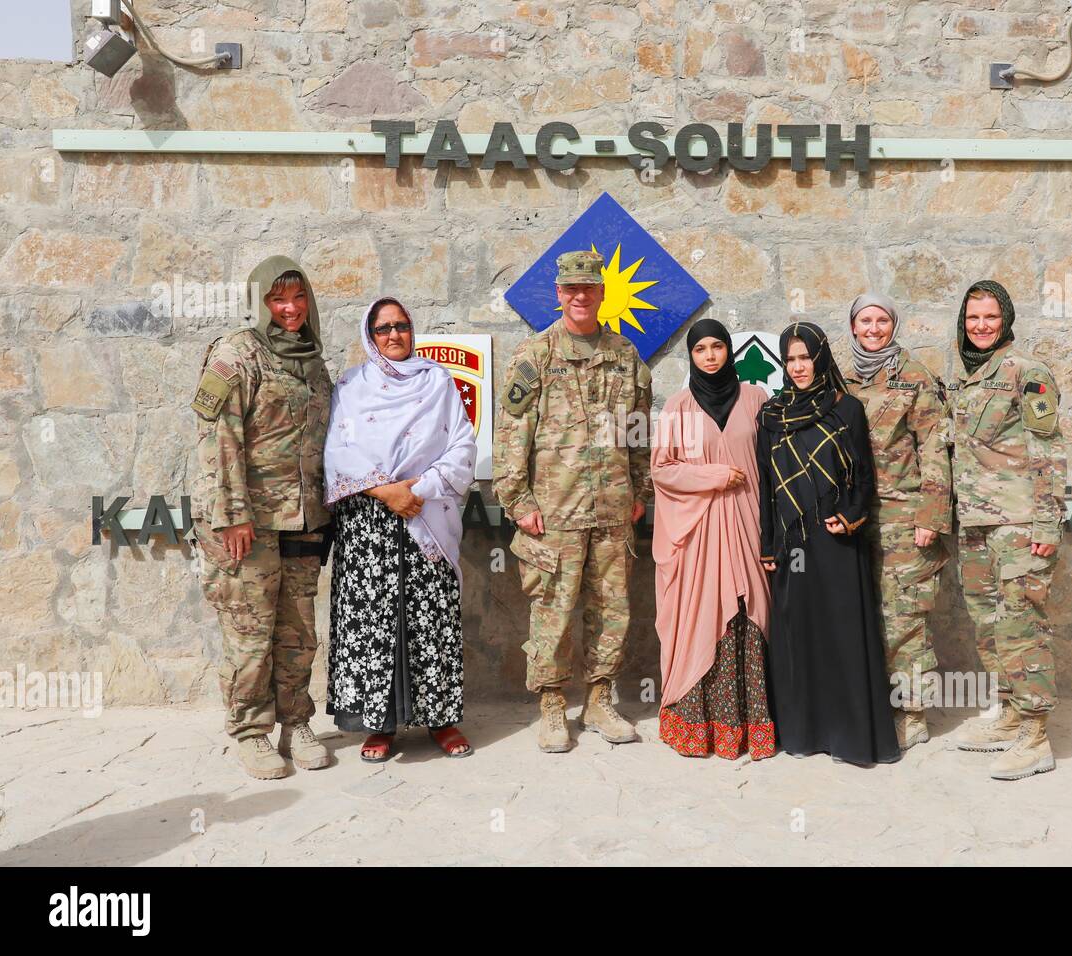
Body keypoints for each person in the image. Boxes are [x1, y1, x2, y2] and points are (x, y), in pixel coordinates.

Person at [493, 250, 654, 753]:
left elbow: (639, 431)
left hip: (612, 509)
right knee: (553, 614)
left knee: (612, 612)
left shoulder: (626, 356)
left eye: (589, 288)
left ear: (603, 294)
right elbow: (511, 434)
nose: (580, 296)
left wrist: (640, 489)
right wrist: (517, 500)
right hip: (554, 512)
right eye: (571, 289)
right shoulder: (535, 354)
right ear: (558, 294)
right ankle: (552, 704)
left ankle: (601, 700)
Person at [190, 256, 333, 780]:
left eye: (297, 297)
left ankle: (296, 723)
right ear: (259, 302)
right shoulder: (235, 354)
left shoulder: (313, 361)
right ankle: (251, 731)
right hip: (246, 522)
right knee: (250, 634)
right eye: (277, 299)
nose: (290, 308)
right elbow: (217, 439)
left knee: (298, 633)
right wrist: (230, 514)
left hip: (302, 520)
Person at [323, 297, 477, 763]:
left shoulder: (438, 382)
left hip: (426, 512)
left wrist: (422, 488)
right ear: (370, 335)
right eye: (384, 328)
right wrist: (385, 491)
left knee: (431, 620)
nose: (394, 335)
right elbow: (338, 450)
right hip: (370, 520)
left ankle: (441, 719)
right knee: (374, 623)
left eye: (402, 326)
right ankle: (380, 724)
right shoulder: (351, 385)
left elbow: (461, 445)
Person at [757, 321, 900, 766]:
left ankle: (850, 735)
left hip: (835, 541)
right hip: (791, 542)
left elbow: (862, 476)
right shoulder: (770, 415)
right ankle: (804, 732)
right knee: (799, 636)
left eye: (806, 357)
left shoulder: (847, 409)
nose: (799, 367)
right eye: (791, 359)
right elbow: (766, 487)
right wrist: (768, 544)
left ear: (820, 359)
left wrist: (852, 516)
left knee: (841, 634)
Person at [948, 279, 1067, 780]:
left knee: (1022, 627)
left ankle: (1036, 737)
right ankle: (1011, 715)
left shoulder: (1028, 373)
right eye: (973, 317)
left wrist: (1047, 522)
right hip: (975, 525)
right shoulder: (965, 379)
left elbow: (1050, 450)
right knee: (989, 626)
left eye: (990, 317)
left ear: (1006, 320)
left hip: (1019, 526)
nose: (980, 326)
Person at [651, 320, 773, 760]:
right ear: (691, 356)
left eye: (717, 346)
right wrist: (713, 476)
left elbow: (774, 463)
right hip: (700, 534)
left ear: (729, 351)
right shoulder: (679, 407)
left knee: (748, 613)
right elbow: (663, 470)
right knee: (704, 616)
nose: (709, 355)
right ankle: (697, 727)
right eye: (700, 348)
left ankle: (749, 725)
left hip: (748, 525)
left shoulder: (756, 399)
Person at [844, 293, 951, 751]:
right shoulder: (840, 376)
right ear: (853, 327)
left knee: (904, 614)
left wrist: (931, 513)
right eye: (865, 320)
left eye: (882, 320)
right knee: (859, 613)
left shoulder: (915, 378)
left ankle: (911, 711)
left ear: (894, 324)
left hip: (903, 515)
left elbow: (934, 447)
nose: (873, 328)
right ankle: (867, 704)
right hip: (851, 515)